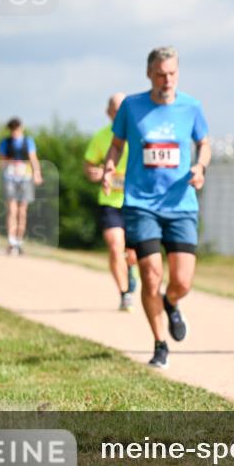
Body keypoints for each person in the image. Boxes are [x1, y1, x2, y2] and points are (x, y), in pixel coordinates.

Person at [102, 46, 211, 369]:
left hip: (180, 204)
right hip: (141, 203)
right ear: (149, 74)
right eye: (161, 74)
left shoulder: (191, 106)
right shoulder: (131, 107)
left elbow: (203, 143)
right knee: (150, 275)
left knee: (182, 282)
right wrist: (109, 167)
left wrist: (200, 167)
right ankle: (160, 344)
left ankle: (171, 302)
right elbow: (117, 144)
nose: (167, 79)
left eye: (173, 73)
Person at [84, 93, 139, 311]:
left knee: (133, 253)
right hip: (110, 200)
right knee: (116, 246)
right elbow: (88, 167)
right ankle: (125, 293)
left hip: (136, 200)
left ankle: (131, 270)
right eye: (115, 108)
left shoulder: (139, 134)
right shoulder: (101, 137)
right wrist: (95, 173)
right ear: (108, 112)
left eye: (123, 108)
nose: (119, 112)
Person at [0, 117, 43, 255]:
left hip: (25, 178)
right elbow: (0, 164)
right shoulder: (5, 143)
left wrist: (37, 174)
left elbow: (33, 159)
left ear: (21, 128)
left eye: (17, 129)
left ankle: (19, 241)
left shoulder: (28, 142)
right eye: (12, 129)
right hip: (10, 178)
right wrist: (9, 162)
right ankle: (11, 242)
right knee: (12, 210)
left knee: (22, 211)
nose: (15, 132)